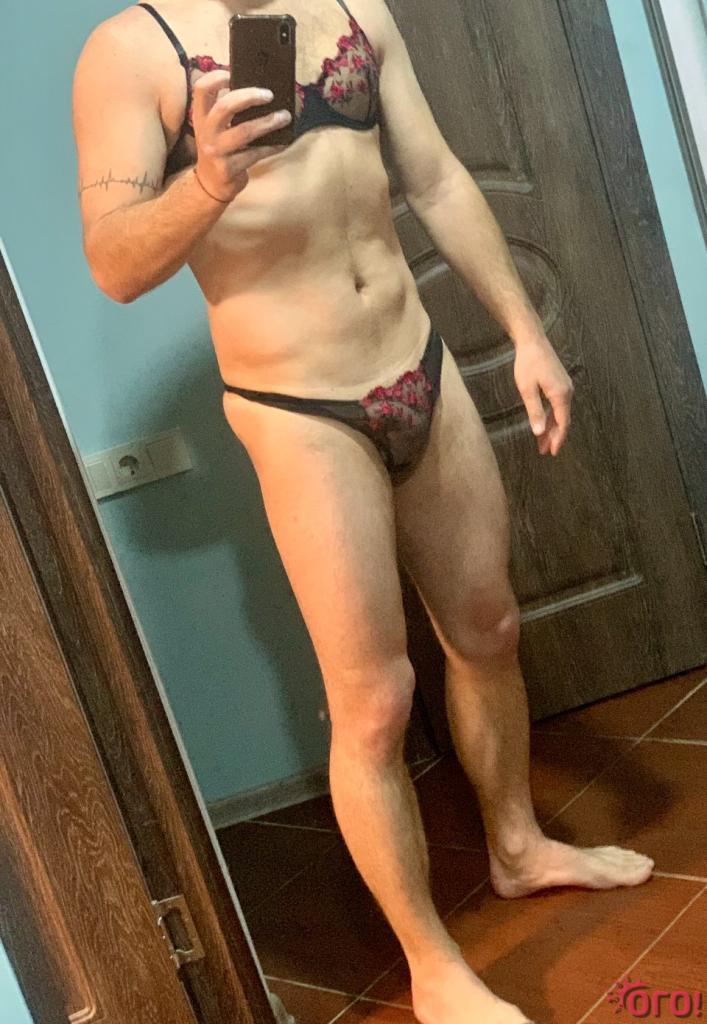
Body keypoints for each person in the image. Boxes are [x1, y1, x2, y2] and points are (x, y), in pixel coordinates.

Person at [72, 1, 654, 1021]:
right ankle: (432, 966)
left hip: (416, 360)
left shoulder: (353, 6)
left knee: (488, 630)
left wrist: (524, 331)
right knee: (374, 701)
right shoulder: (131, 51)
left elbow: (432, 177)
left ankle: (517, 848)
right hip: (296, 405)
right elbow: (114, 264)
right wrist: (209, 179)